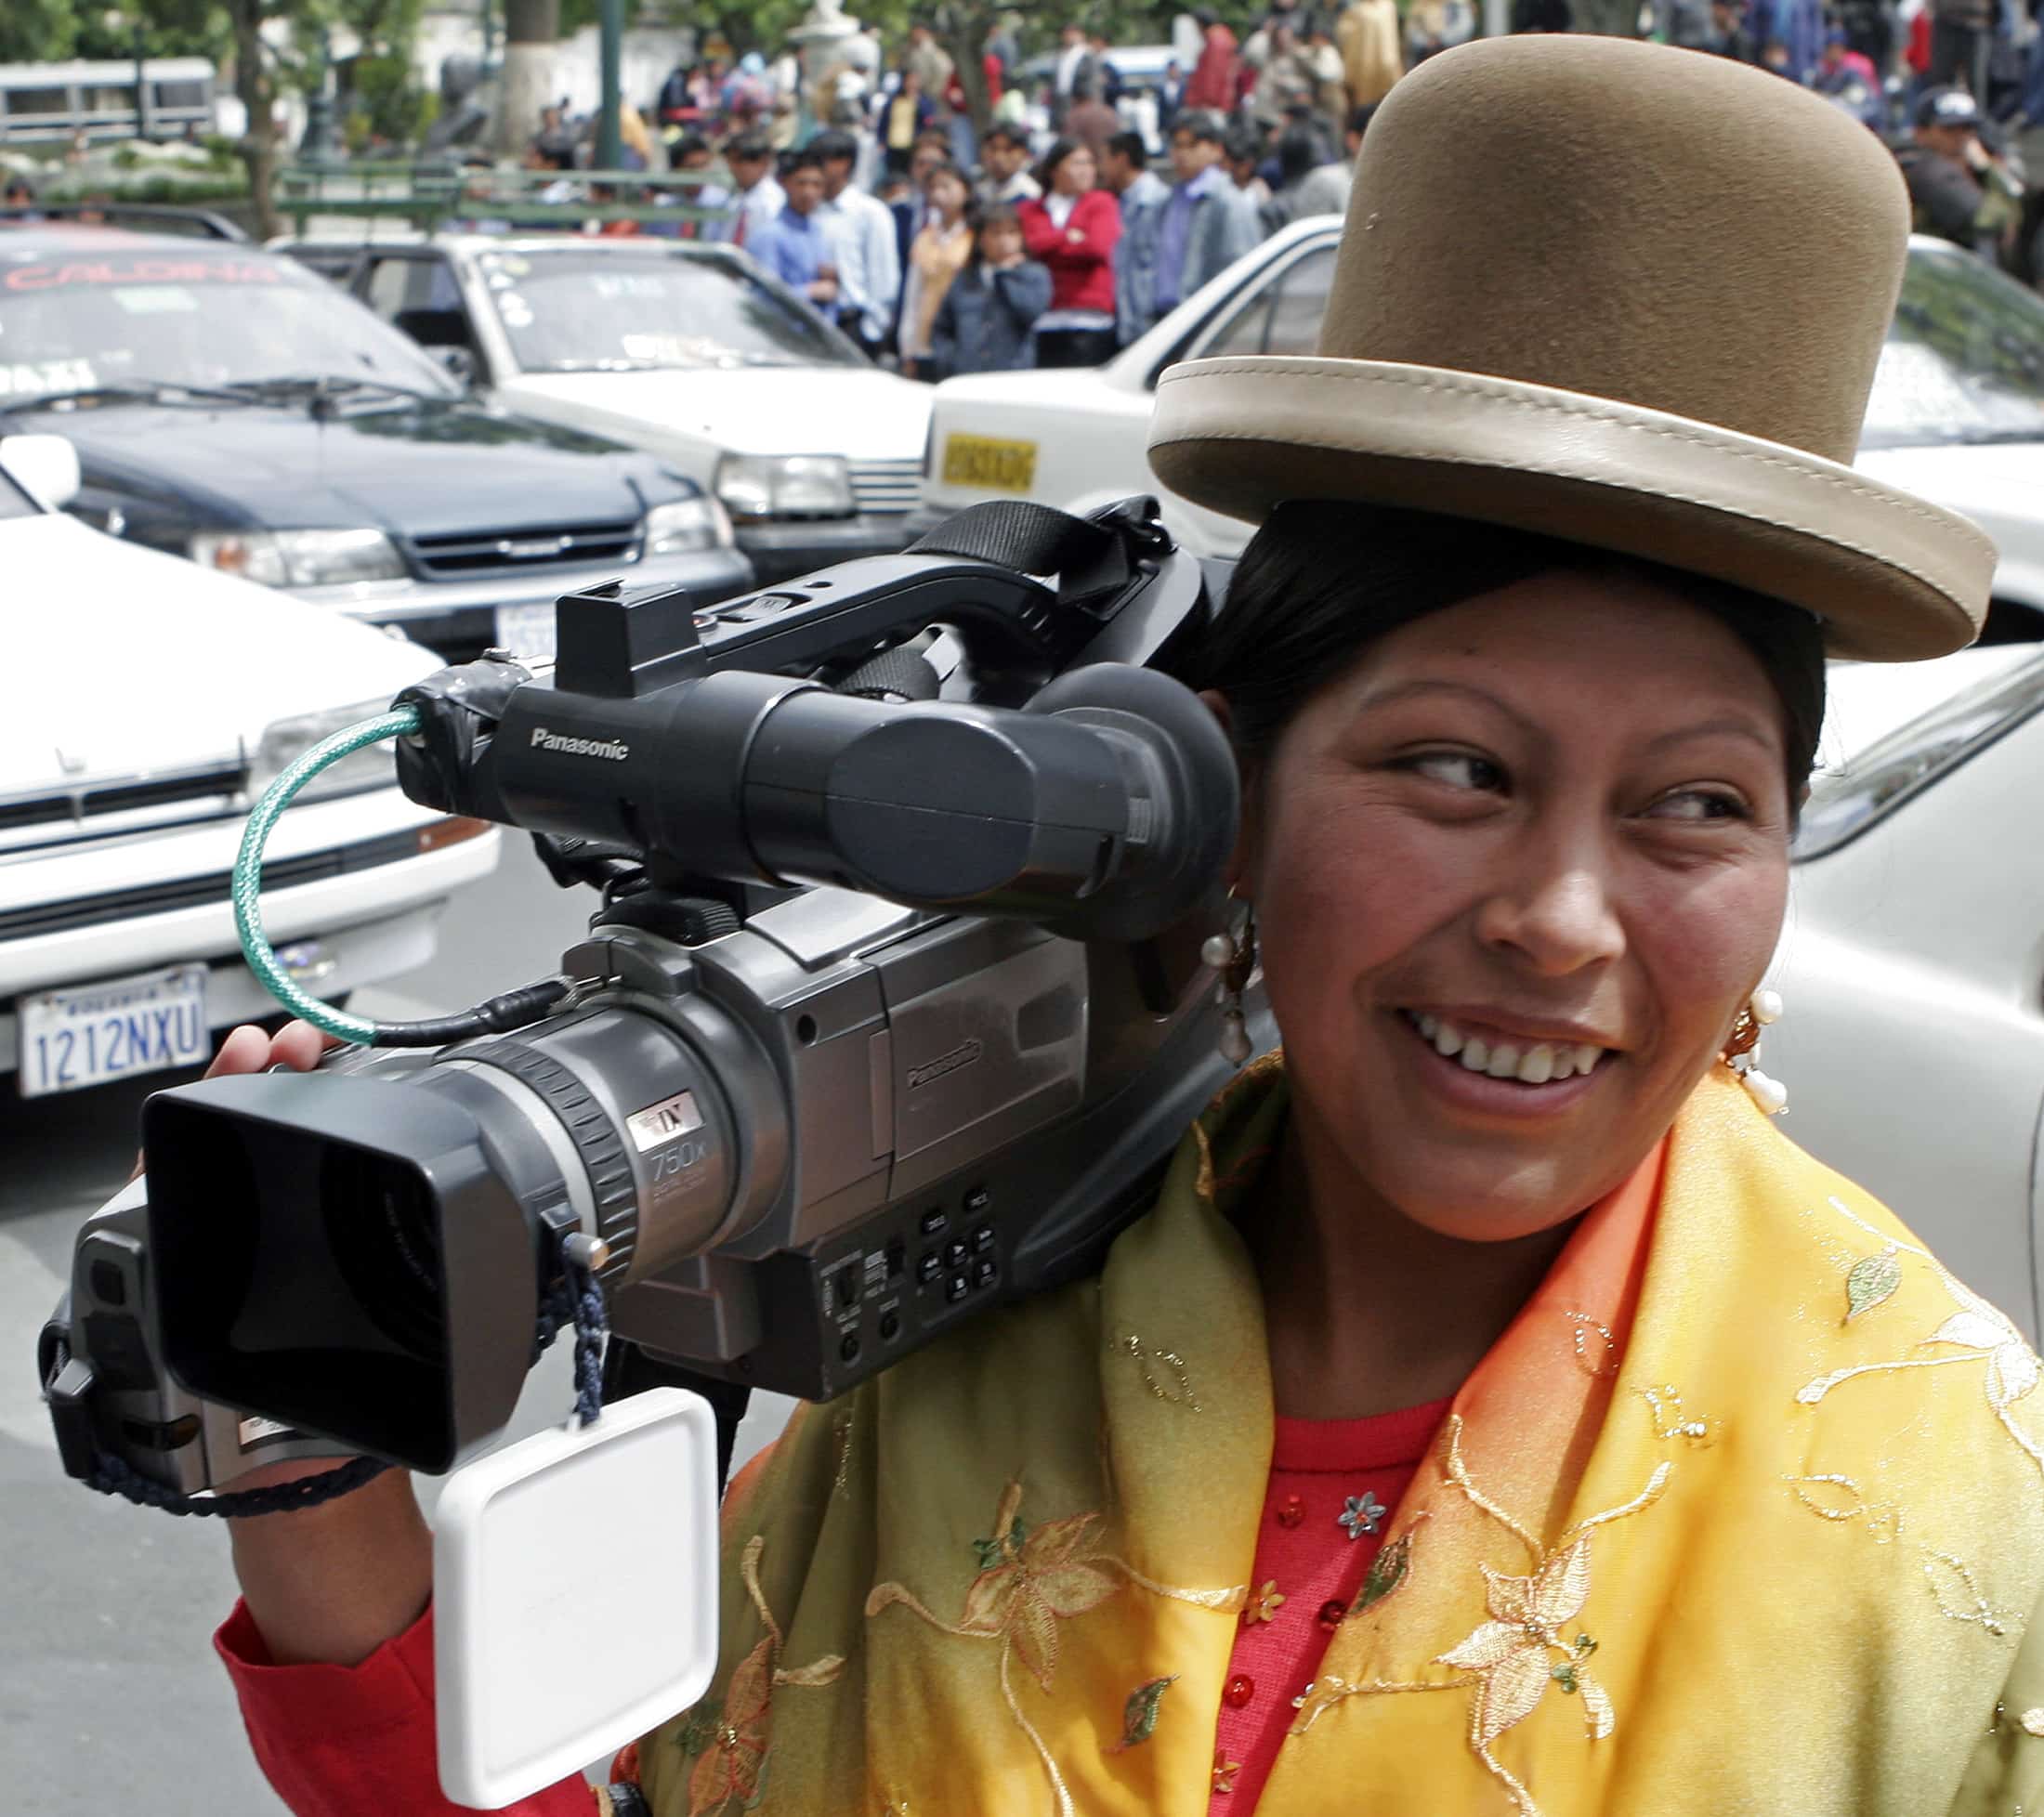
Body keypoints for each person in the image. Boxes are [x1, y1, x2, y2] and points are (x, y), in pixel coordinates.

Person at [205, 39, 2044, 1817]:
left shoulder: (1948, 1510)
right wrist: (308, 1475)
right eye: (1456, 770)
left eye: (1695, 806)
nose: (1561, 922)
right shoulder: (970, 1356)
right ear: (1228, 800)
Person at [1118, 111, 1264, 342]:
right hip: (1161, 322)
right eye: (1177, 146)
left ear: (1216, 150)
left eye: (1192, 146)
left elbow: (1242, 267)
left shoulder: (1228, 202)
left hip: (1204, 326)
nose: (1182, 154)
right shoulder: (1168, 199)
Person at [1018, 137, 1122, 367]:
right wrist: (1068, 236)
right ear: (1054, 169)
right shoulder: (1031, 209)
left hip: (1091, 315)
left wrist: (1051, 249)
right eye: (1076, 163)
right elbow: (1030, 246)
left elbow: (1097, 247)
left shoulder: (1102, 202)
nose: (1085, 171)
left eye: (1089, 163)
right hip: (1046, 316)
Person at [1896, 84, 2022, 254]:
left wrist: (1984, 168)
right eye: (1949, 129)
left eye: (1967, 128)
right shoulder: (1923, 168)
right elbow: (1983, 219)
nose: (1961, 137)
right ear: (1921, 133)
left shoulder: (1969, 167)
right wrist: (1987, 169)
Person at [812, 127, 903, 357]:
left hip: (852, 323)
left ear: (844, 163)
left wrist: (871, 331)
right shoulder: (809, 210)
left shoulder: (869, 212)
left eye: (822, 161)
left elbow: (883, 275)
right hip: (813, 319)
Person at [898, 161, 975, 378]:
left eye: (946, 186)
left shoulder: (975, 236)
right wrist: (908, 347)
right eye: (933, 188)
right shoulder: (925, 237)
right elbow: (913, 295)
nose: (939, 194)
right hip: (925, 337)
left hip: (961, 337)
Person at [742, 150, 845, 310]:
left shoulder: (817, 231)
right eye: (801, 183)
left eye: (816, 185)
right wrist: (810, 291)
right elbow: (763, 295)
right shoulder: (769, 235)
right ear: (784, 184)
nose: (808, 192)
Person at [722, 134, 785, 248]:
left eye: (737, 161)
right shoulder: (737, 200)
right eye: (731, 162)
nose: (733, 168)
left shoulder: (772, 202)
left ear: (764, 163)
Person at [1337, 0, 1406, 103]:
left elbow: (1393, 38)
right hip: (1364, 64)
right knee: (1364, 102)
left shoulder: (1388, 6)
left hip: (1386, 62)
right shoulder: (1356, 10)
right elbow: (1345, 35)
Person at [878, 67, 935, 177]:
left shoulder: (924, 101)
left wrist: (916, 100)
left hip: (913, 145)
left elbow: (927, 120)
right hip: (894, 146)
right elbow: (884, 122)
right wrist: (882, 140)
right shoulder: (893, 101)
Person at [1102, 127, 1169, 216]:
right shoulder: (1123, 196)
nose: (1102, 167)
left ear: (1121, 159)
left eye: (1106, 159)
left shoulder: (1156, 198)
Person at [1186, 8, 1242, 111]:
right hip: (1217, 103)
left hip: (1213, 105)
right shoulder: (1221, 38)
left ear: (1200, 24)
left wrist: (1206, 103)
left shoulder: (1216, 42)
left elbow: (1212, 76)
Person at [976, 123, 1042, 205]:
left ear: (1024, 153)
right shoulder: (980, 193)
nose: (998, 157)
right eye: (993, 149)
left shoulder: (1031, 194)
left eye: (1008, 150)